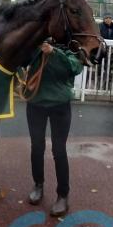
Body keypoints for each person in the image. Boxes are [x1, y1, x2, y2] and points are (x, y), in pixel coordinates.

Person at [24, 40, 83, 217]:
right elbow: (19, 60)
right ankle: (38, 184)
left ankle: (63, 195)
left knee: (59, 149)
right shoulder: (33, 44)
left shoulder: (69, 46)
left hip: (60, 105)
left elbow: (75, 67)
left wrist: (53, 53)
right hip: (36, 103)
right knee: (36, 146)